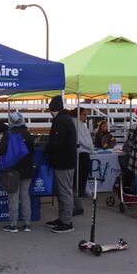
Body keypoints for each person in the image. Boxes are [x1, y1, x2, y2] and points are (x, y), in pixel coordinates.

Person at [44, 96, 77, 233]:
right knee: (61, 192)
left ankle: (67, 222)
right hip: (64, 161)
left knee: (64, 192)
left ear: (53, 109)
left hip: (64, 162)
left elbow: (57, 142)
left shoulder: (61, 121)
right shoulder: (65, 119)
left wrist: (46, 147)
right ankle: (62, 218)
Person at [0, 111, 35, 233]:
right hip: (27, 170)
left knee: (13, 196)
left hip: (13, 171)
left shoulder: (8, 133)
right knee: (25, 196)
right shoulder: (28, 134)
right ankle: (27, 223)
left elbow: (1, 150)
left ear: (11, 121)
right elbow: (32, 153)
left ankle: (13, 224)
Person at [70, 107, 94, 216]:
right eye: (84, 114)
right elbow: (85, 142)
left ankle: (77, 205)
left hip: (82, 155)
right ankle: (77, 205)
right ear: (78, 114)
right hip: (81, 155)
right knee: (77, 182)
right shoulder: (78, 125)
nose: (86, 116)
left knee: (77, 182)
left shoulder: (78, 124)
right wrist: (90, 148)